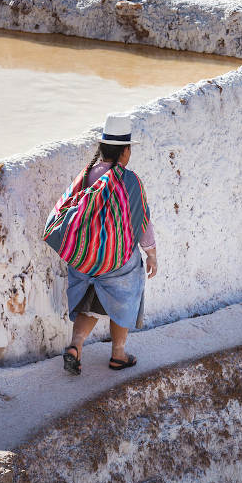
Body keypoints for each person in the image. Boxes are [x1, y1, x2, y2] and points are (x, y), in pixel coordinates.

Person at [42, 114, 157, 375]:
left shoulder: (85, 177)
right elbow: (142, 223)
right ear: (126, 152)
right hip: (116, 263)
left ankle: (76, 346)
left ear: (102, 149)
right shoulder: (130, 182)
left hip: (83, 258)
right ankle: (118, 354)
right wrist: (151, 254)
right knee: (127, 287)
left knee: (89, 297)